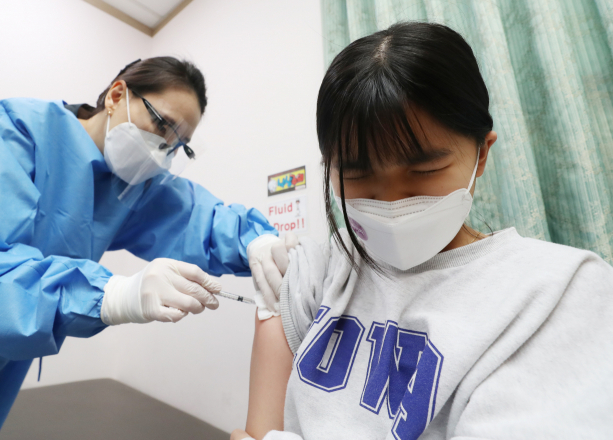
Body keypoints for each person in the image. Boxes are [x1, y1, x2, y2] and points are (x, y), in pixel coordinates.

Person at [231, 23, 613, 440]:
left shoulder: (560, 291)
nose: (392, 203)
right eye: (357, 174)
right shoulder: (311, 269)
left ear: (482, 153)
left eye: (424, 170)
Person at [0, 56, 293, 439]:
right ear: (117, 94)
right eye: (161, 126)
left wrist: (256, 241)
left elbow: (195, 218)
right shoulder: (18, 128)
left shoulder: (131, 187)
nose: (163, 150)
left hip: (4, 357)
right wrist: (109, 294)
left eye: (178, 145)